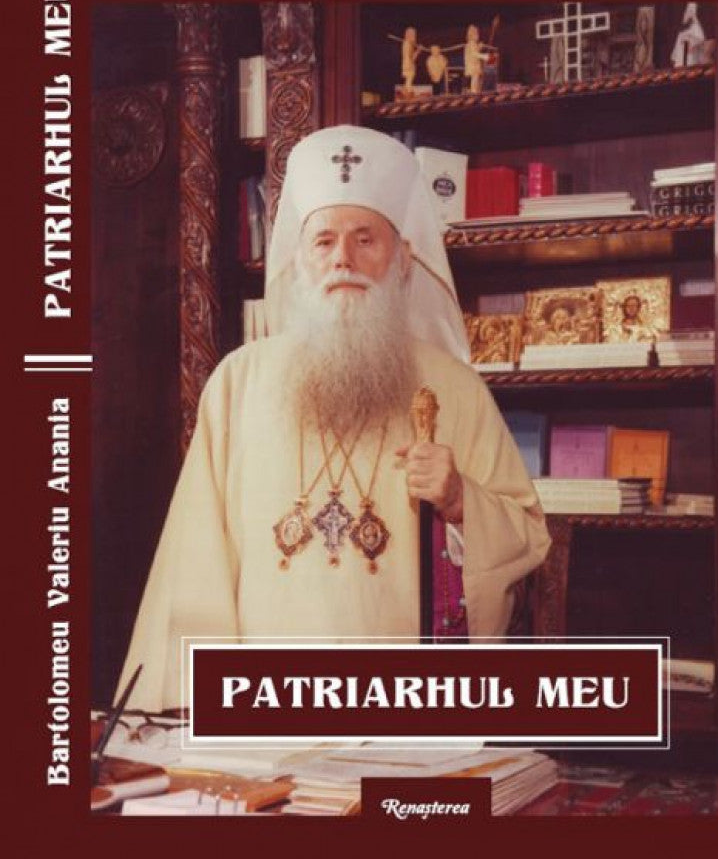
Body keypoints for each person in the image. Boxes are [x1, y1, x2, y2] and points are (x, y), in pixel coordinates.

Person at [116, 125, 551, 711]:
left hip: (404, 709)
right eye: (324, 241)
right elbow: (195, 563)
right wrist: (196, 707)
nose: (343, 258)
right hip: (264, 709)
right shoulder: (238, 383)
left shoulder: (454, 389)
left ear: (403, 262)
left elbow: (525, 537)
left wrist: (458, 501)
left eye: (366, 239)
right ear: (300, 262)